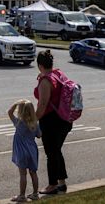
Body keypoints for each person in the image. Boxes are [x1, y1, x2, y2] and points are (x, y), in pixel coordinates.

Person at [34, 50, 73, 195]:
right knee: (56, 151)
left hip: (52, 122)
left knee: (51, 153)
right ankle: (61, 184)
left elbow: (42, 105)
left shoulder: (45, 81)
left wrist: (33, 121)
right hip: (65, 119)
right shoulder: (58, 74)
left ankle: (52, 185)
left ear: (39, 65)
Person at [8, 99, 42, 202]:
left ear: (20, 111)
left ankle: (22, 195)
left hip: (21, 151)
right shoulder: (35, 123)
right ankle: (35, 194)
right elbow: (39, 135)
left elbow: (9, 112)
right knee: (33, 173)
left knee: (23, 174)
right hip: (32, 150)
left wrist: (16, 103)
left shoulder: (18, 122)